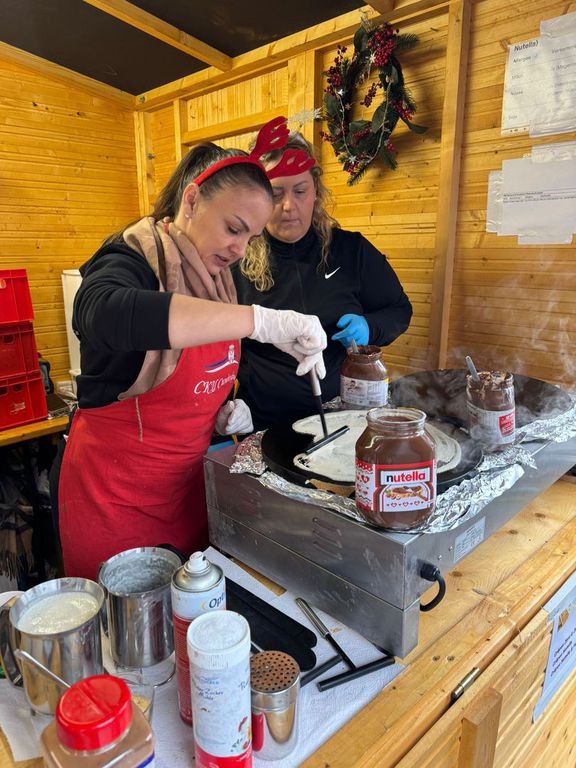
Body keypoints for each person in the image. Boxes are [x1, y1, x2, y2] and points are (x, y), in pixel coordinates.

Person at [52, 118, 326, 580]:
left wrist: (221, 413)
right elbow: (99, 313)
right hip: (115, 503)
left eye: (251, 238)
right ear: (193, 200)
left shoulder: (218, 282)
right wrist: (260, 322)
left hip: (187, 498)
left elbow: (196, 377)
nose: (240, 249)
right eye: (234, 228)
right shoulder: (131, 260)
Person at [233, 132, 413, 430]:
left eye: (300, 191)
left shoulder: (352, 250)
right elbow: (217, 343)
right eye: (276, 194)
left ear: (315, 191)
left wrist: (370, 326)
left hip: (343, 413)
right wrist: (226, 405)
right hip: (263, 419)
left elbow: (399, 310)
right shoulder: (236, 258)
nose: (289, 206)